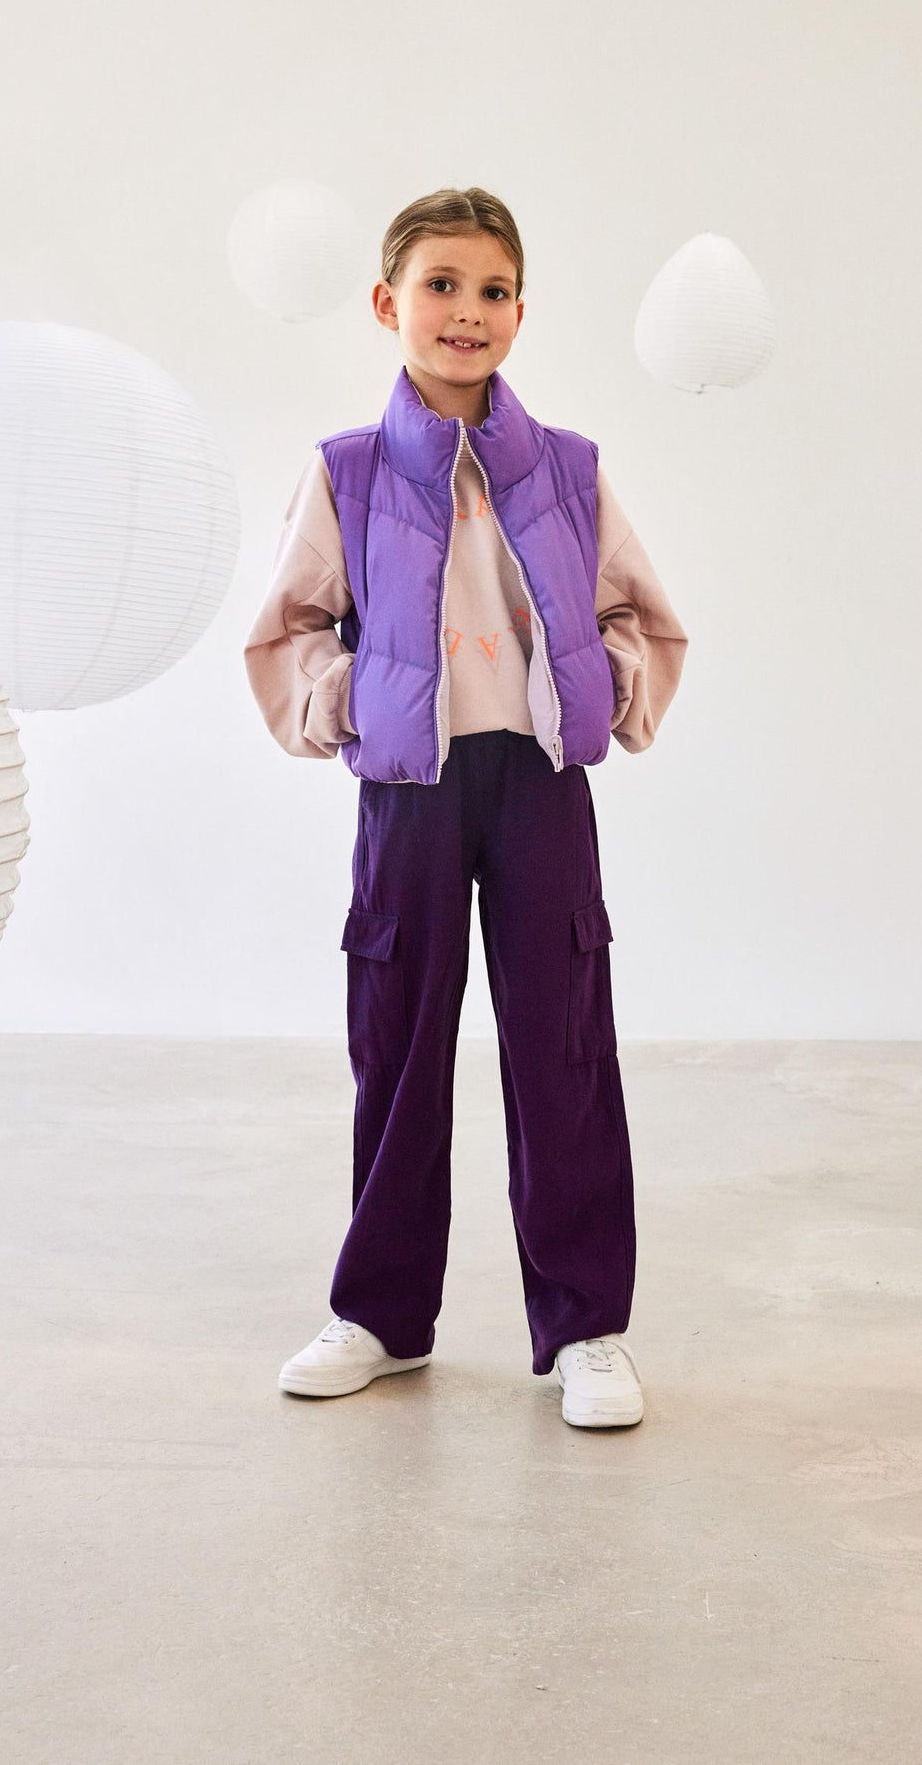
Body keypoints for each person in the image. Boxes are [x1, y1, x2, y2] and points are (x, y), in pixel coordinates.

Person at [243, 186, 688, 1428]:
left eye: (491, 290)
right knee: (395, 1045)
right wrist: (357, 704)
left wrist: (600, 693)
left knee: (562, 1046)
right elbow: (287, 632)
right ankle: (381, 1317)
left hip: (538, 786)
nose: (465, 311)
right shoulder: (346, 471)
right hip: (410, 797)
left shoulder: (568, 468)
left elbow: (638, 613)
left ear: (518, 313)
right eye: (439, 284)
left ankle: (586, 1327)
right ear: (387, 303)